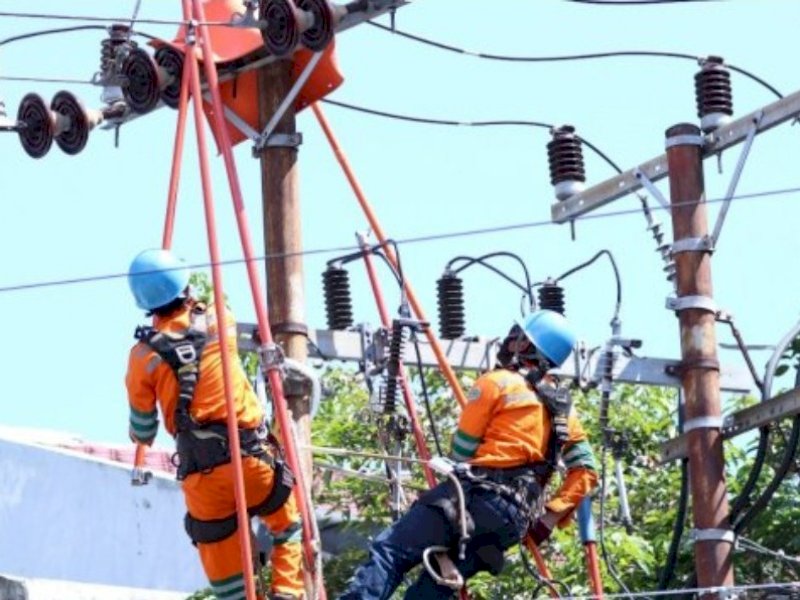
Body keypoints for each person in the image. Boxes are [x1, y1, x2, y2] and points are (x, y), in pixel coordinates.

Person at [338, 309, 599, 600]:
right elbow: (586, 470)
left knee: (391, 551)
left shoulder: (497, 382)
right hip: (512, 523)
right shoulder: (564, 412)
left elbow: (462, 450)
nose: (508, 341)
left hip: (475, 499)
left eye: (516, 335)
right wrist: (548, 519)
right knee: (435, 586)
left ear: (526, 345)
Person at [125, 249, 304, 600]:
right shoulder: (220, 319)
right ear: (186, 288)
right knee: (287, 526)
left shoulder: (142, 357)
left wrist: (140, 425)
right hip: (251, 462)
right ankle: (286, 591)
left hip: (203, 478)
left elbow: (144, 432)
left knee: (229, 580)